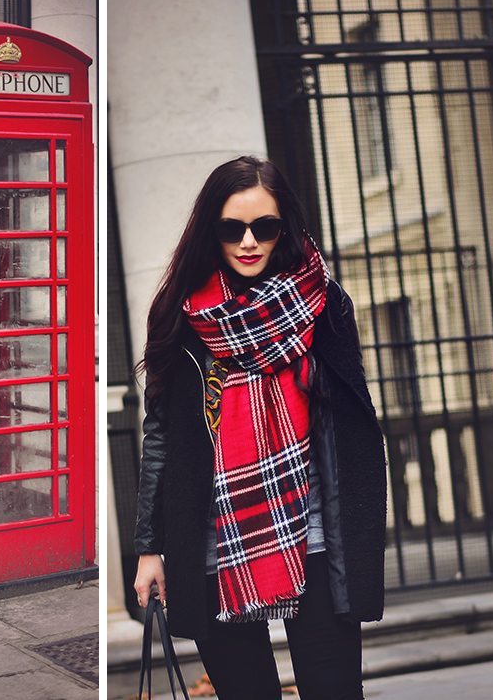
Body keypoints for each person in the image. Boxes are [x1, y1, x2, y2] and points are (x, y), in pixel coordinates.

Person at [132, 157, 387, 700]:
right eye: (232, 228)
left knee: (336, 691)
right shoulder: (182, 316)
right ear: (211, 230)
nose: (248, 242)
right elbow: (163, 437)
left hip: (315, 532)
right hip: (212, 542)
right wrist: (150, 548)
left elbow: (355, 423)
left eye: (264, 227)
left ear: (284, 227)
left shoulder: (325, 303)